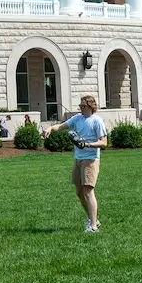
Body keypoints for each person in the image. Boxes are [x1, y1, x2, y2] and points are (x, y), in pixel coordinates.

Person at [43, 94, 109, 233]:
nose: (80, 108)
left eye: (83, 106)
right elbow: (61, 126)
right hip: (78, 159)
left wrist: (87, 144)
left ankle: (93, 227)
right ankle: (92, 219)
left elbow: (104, 143)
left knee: (88, 191)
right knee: (79, 193)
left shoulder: (97, 121)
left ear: (91, 106)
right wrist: (50, 128)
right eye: (80, 106)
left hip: (91, 159)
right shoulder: (77, 119)